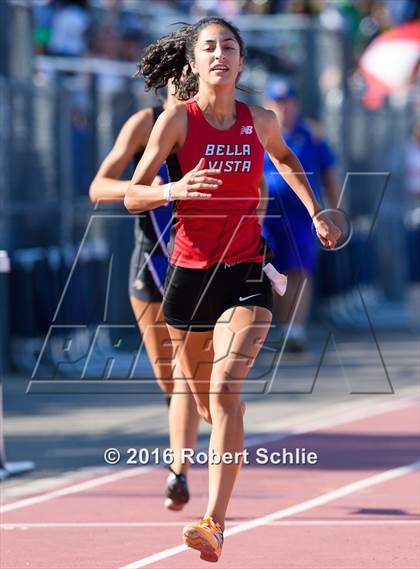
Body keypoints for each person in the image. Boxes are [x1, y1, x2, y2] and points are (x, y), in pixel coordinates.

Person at [125, 17, 340, 562]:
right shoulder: (176, 119)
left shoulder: (260, 120)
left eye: (229, 46)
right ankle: (195, 459)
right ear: (193, 63)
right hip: (188, 280)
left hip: (245, 272)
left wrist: (319, 211)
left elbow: (287, 159)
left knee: (225, 394)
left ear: (241, 62)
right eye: (209, 47)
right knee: (200, 402)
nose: (220, 54)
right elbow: (133, 195)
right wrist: (174, 187)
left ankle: (213, 524)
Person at [89, 82, 200, 511]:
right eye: (176, 76)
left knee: (191, 373)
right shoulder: (144, 124)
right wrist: (148, 189)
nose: (184, 84)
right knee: (168, 377)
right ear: (164, 82)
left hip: (197, 262)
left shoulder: (210, 125)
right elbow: (99, 187)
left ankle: (179, 473)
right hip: (150, 262)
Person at [262, 78, 341, 353]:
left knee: (300, 270)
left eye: (288, 102)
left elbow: (329, 174)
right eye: (278, 102)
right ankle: (283, 327)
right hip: (267, 216)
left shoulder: (311, 136)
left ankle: (296, 329)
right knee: (274, 271)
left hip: (301, 215)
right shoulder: (260, 134)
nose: (284, 108)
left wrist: (334, 209)